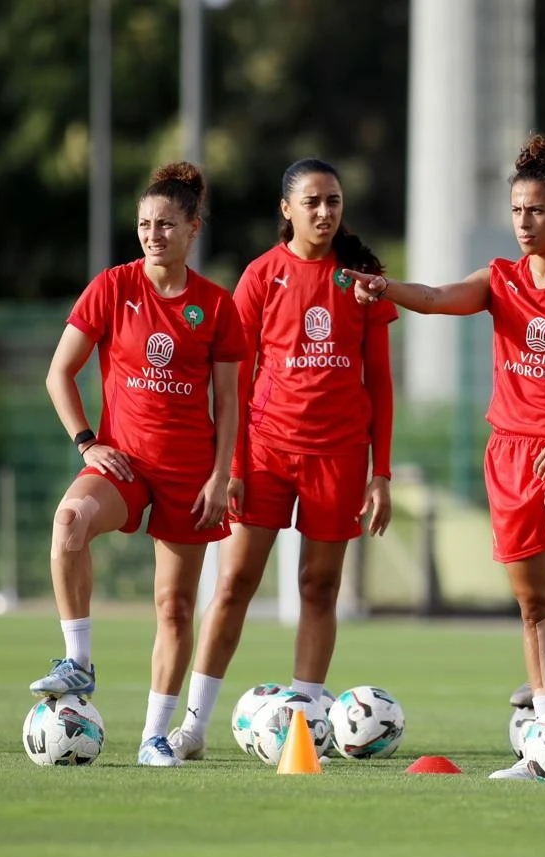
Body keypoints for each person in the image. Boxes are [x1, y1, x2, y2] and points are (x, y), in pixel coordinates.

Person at [344, 135, 545, 780]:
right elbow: (437, 296)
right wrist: (385, 287)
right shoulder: (501, 280)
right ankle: (544, 740)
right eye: (517, 211)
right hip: (509, 451)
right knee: (530, 604)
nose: (524, 223)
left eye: (536, 211)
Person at [166, 158, 396, 760]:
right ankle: (192, 725)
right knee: (235, 582)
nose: (325, 212)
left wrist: (382, 472)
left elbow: (382, 383)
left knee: (319, 588)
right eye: (313, 201)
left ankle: (304, 723)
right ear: (286, 209)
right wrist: (233, 468)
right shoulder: (262, 276)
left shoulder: (362, 279)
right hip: (265, 453)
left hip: (340, 457)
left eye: (335, 202)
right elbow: (235, 384)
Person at [31, 161, 246, 767]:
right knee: (69, 522)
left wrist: (221, 475)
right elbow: (59, 372)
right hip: (122, 464)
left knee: (175, 606)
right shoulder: (111, 287)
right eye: (145, 224)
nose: (154, 234)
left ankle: (155, 737)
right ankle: (77, 662)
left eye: (167, 224)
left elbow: (230, 403)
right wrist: (86, 441)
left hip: (190, 474)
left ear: (192, 229)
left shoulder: (216, 306)